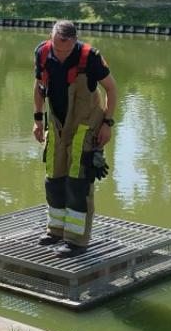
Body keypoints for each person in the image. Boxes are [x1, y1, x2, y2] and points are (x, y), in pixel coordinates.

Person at [32, 20, 117, 257]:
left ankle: (77, 241)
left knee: (78, 183)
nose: (60, 54)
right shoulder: (42, 52)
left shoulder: (91, 57)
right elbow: (39, 86)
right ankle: (55, 231)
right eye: (57, 48)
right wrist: (38, 119)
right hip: (57, 125)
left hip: (85, 127)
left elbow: (111, 88)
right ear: (51, 38)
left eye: (66, 50)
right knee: (53, 178)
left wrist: (107, 124)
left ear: (75, 41)